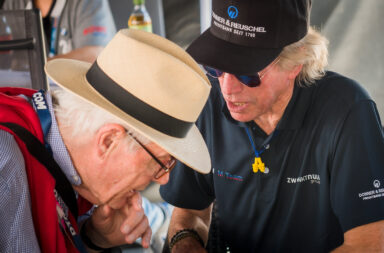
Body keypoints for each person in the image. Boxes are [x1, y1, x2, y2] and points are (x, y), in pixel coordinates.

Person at [159, 0, 384, 252]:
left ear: (295, 64)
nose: (228, 89)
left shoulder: (348, 111)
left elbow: (369, 243)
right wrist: (185, 243)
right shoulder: (209, 101)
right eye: (217, 68)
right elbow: (189, 211)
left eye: (246, 74)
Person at [0, 29, 211, 252]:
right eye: (161, 163)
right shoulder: (6, 164)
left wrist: (94, 239)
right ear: (109, 141)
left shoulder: (70, 166)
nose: (165, 179)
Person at [1, 0, 116, 62]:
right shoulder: (10, 3)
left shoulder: (87, 3)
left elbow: (96, 55)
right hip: (25, 95)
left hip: (74, 99)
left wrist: (40, 69)